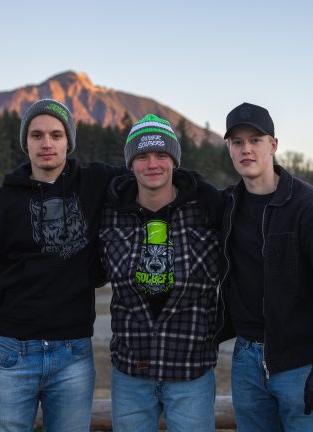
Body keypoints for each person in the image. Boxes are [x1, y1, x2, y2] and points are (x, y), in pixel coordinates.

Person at [0, 99, 124, 431]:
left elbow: (151, 172)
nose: (46, 143)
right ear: (26, 143)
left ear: (68, 142)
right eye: (37, 135)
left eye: (56, 135)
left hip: (73, 355)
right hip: (12, 353)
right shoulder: (1, 203)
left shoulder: (94, 183)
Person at [214, 102, 313, 431]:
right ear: (229, 148)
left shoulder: (310, 207)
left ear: (273, 145)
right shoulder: (227, 205)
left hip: (300, 364)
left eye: (255, 140)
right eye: (237, 142)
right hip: (246, 362)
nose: (246, 149)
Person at [98, 114, 224, 431]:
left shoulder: (207, 211)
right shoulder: (111, 214)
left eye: (161, 155)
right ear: (130, 164)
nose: (152, 164)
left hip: (191, 370)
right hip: (131, 371)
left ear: (174, 161)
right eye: (142, 156)